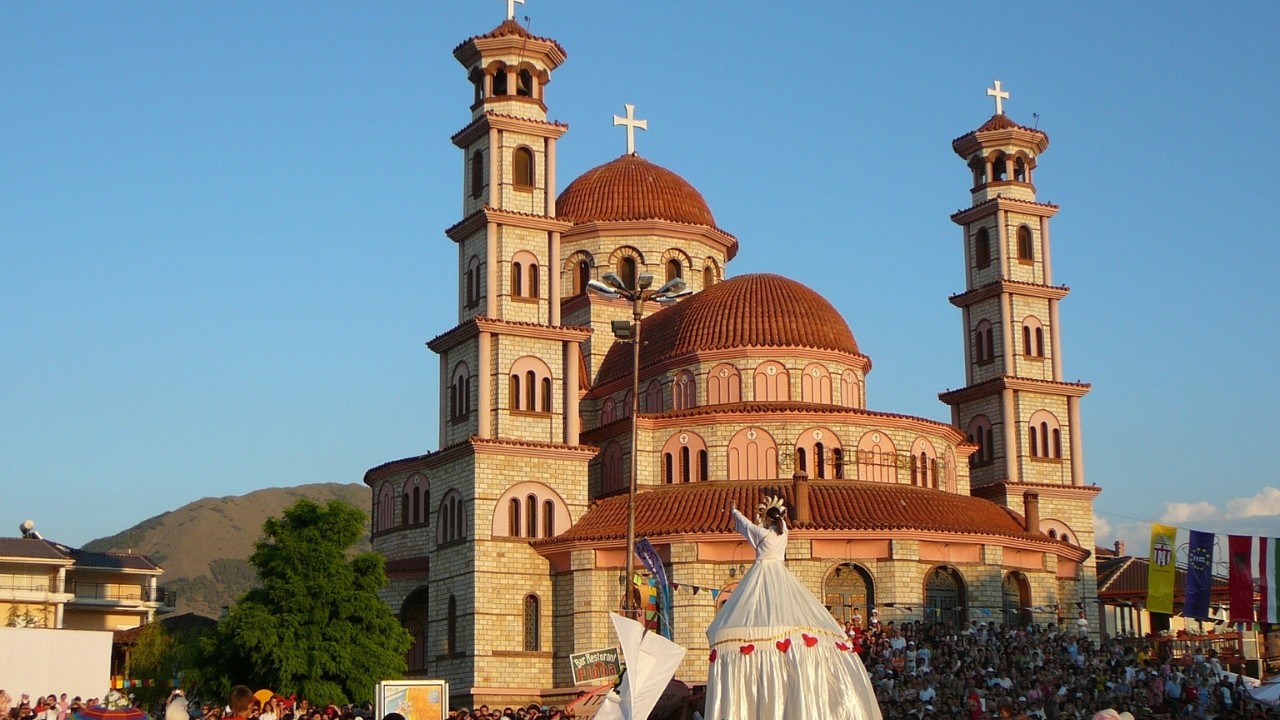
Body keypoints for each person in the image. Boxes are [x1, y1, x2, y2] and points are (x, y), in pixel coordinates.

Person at [703, 494, 882, 720]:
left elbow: (745, 525)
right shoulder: (783, 533)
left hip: (763, 574)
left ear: (768, 520)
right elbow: (777, 525)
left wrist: (734, 511)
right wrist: (777, 517)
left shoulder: (763, 534)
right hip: (781, 575)